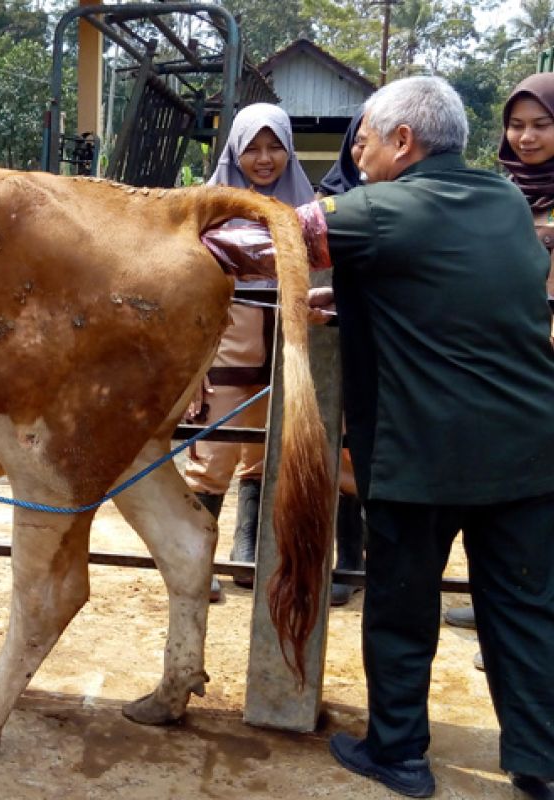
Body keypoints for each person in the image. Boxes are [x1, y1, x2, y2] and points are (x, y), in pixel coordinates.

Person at [304, 76, 554, 799]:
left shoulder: (377, 208)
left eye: (365, 141)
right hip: (529, 453)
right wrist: (353, 299)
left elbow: (264, 238)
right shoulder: (506, 200)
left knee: (402, 606)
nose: (357, 154)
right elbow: (449, 290)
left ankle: (400, 754)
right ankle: (538, 762)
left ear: (403, 142)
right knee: (526, 610)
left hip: (424, 458)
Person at [443, 72, 554, 671]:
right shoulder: (500, 190)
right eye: (517, 125)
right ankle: (489, 612)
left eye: (541, 125)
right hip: (507, 355)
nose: (527, 136)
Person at [186, 102, 315, 602]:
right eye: (252, 148)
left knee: (262, 455)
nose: (264, 159)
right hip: (226, 352)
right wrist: (194, 363)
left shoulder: (308, 207)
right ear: (236, 152)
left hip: (284, 353)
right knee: (212, 455)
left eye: (274, 147)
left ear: (289, 149)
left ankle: (248, 549)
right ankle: (196, 559)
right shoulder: (208, 209)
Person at [315, 111, 369, 607]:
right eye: (357, 141)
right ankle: (331, 556)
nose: (360, 152)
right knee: (326, 448)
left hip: (372, 342)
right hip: (327, 339)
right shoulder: (325, 199)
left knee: (353, 451)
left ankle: (352, 558)